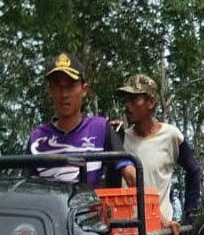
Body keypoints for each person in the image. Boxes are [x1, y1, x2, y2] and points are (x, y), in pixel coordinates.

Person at [28, 53, 136, 187]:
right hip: (48, 207)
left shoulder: (101, 128)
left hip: (92, 206)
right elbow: (26, 189)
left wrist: (147, 202)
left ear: (84, 90)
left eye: (70, 86)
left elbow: (131, 175)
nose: (64, 94)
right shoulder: (37, 138)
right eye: (57, 86)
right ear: (50, 91)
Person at [118, 73, 201, 235]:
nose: (128, 105)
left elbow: (194, 170)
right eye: (126, 100)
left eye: (134, 100)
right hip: (128, 234)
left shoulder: (171, 136)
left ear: (151, 102)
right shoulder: (121, 138)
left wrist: (190, 213)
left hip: (161, 231)